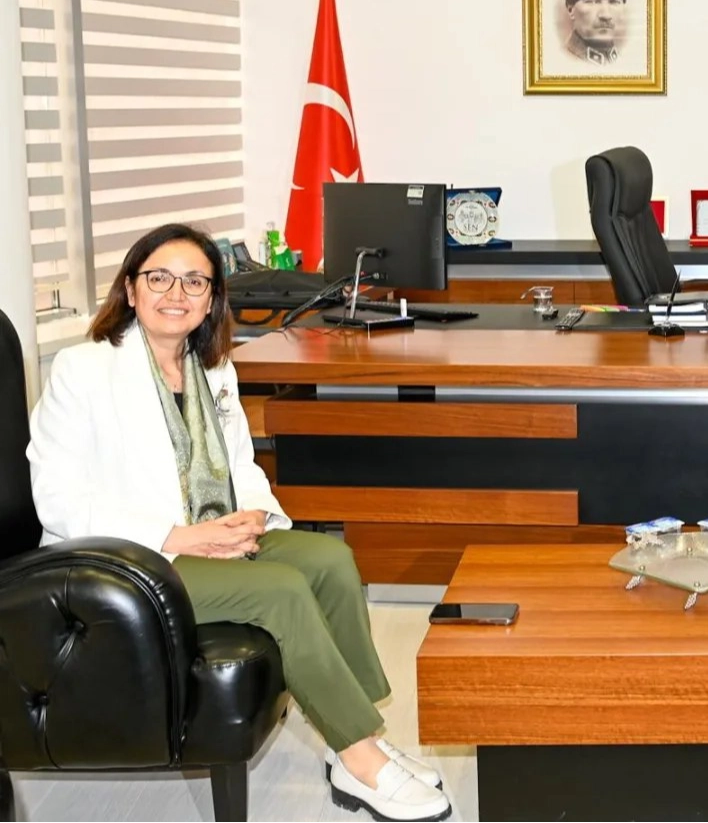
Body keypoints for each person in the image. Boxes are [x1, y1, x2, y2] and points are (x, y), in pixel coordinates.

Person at [26, 223, 452, 823]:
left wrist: (254, 519)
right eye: (159, 278)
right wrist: (179, 536)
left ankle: (352, 736)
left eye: (194, 282)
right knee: (279, 590)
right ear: (130, 288)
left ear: (211, 299)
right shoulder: (83, 370)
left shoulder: (213, 369)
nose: (176, 293)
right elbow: (59, 497)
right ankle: (361, 759)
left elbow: (241, 467)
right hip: (128, 560)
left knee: (331, 560)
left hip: (210, 534)